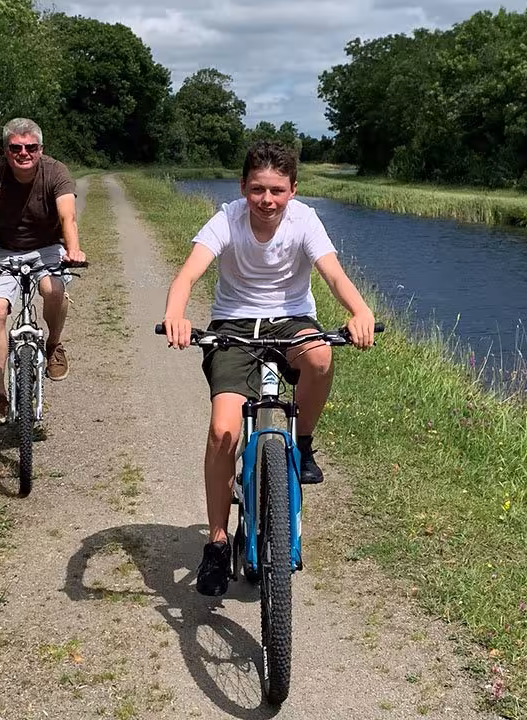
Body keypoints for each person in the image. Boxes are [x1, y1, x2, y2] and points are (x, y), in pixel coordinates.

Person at [161, 140, 377, 597]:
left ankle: (303, 446)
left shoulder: (305, 222)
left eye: (277, 190)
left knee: (320, 354)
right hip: (234, 327)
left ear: (293, 190)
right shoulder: (227, 219)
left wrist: (360, 312)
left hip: (292, 320)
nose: (267, 200)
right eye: (258, 189)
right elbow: (188, 274)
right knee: (223, 432)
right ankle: (217, 543)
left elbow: (333, 274)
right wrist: (177, 313)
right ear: (243, 187)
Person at [0, 118, 86, 425]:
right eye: (16, 148)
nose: (23, 153)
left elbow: (68, 216)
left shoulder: (55, 172)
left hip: (47, 247)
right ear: (6, 150)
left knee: (53, 289)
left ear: (41, 149)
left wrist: (73, 250)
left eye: (31, 147)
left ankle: (53, 345)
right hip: (3, 251)